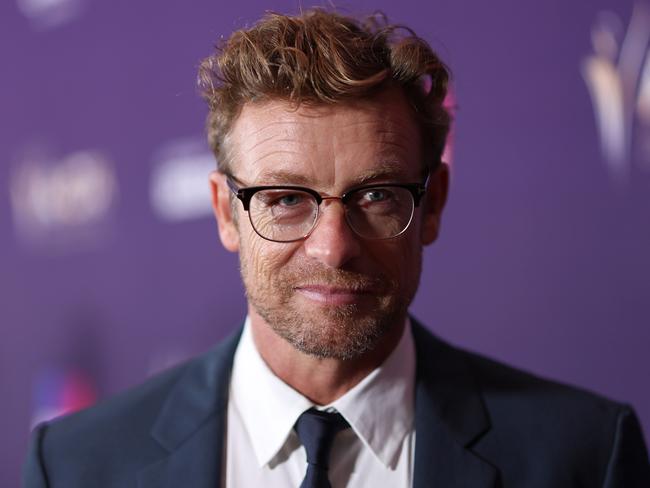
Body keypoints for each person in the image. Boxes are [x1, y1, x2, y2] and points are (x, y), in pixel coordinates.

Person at [23, 9, 650, 488]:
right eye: (287, 199)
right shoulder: (77, 465)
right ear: (224, 212)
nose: (333, 247)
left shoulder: (585, 454)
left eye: (376, 196)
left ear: (431, 205)